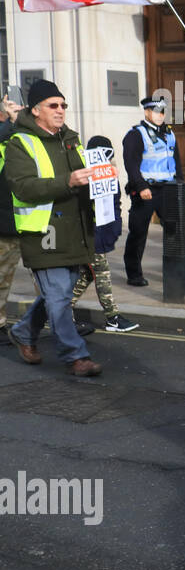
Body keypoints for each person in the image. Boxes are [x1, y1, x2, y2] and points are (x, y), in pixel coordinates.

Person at [4, 80, 102, 376]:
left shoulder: (70, 139)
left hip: (76, 231)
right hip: (44, 233)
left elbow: (84, 178)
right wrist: (69, 181)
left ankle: (23, 331)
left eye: (63, 105)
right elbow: (23, 188)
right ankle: (76, 356)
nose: (61, 111)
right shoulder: (20, 142)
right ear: (35, 110)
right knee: (59, 297)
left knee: (56, 295)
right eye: (53, 105)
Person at [68, 136, 139, 333]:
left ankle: (59, 308)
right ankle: (112, 317)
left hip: (100, 233)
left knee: (87, 275)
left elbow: (114, 205)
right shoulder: (84, 178)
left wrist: (114, 228)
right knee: (102, 273)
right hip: (89, 235)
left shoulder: (110, 175)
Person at [122, 95, 185, 287]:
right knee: (138, 232)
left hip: (168, 189)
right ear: (147, 112)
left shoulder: (169, 133)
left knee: (175, 232)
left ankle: (183, 270)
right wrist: (141, 187)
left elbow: (176, 162)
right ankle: (134, 274)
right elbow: (131, 164)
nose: (160, 115)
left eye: (163, 111)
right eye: (156, 111)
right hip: (147, 190)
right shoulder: (136, 134)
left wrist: (180, 184)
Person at [0, 94, 26, 337]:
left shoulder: (23, 136)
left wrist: (21, 120)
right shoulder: (3, 137)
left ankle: (59, 320)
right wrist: (11, 121)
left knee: (50, 281)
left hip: (35, 222)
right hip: (6, 225)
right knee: (2, 280)